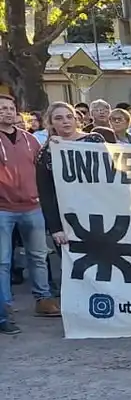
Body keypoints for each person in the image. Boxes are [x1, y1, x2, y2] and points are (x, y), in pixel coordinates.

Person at [36, 101, 107, 318]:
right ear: (50, 123)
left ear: (77, 119)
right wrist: (55, 227)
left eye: (69, 116)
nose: (65, 121)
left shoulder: (95, 140)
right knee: (77, 266)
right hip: (68, 219)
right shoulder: (46, 152)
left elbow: (113, 174)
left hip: (100, 214)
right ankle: (84, 311)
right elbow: (45, 193)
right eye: (58, 118)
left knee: (105, 261)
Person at [0, 94, 49, 329]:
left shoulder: (31, 140)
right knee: (3, 262)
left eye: (10, 108)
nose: (7, 112)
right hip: (2, 209)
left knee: (39, 256)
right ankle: (5, 308)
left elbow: (43, 170)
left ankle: (44, 298)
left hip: (32, 206)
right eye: (2, 108)